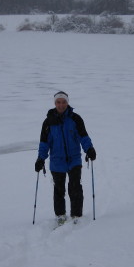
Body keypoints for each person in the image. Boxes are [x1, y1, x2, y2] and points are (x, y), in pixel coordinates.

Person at [35, 91, 96, 224]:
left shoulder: (75, 119)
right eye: (58, 102)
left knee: (75, 188)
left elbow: (83, 136)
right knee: (59, 190)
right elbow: (44, 143)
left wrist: (89, 149)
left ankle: (76, 216)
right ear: (54, 103)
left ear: (67, 103)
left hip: (74, 159)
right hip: (57, 161)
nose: (61, 105)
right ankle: (60, 215)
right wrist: (41, 158)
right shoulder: (48, 122)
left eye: (64, 102)